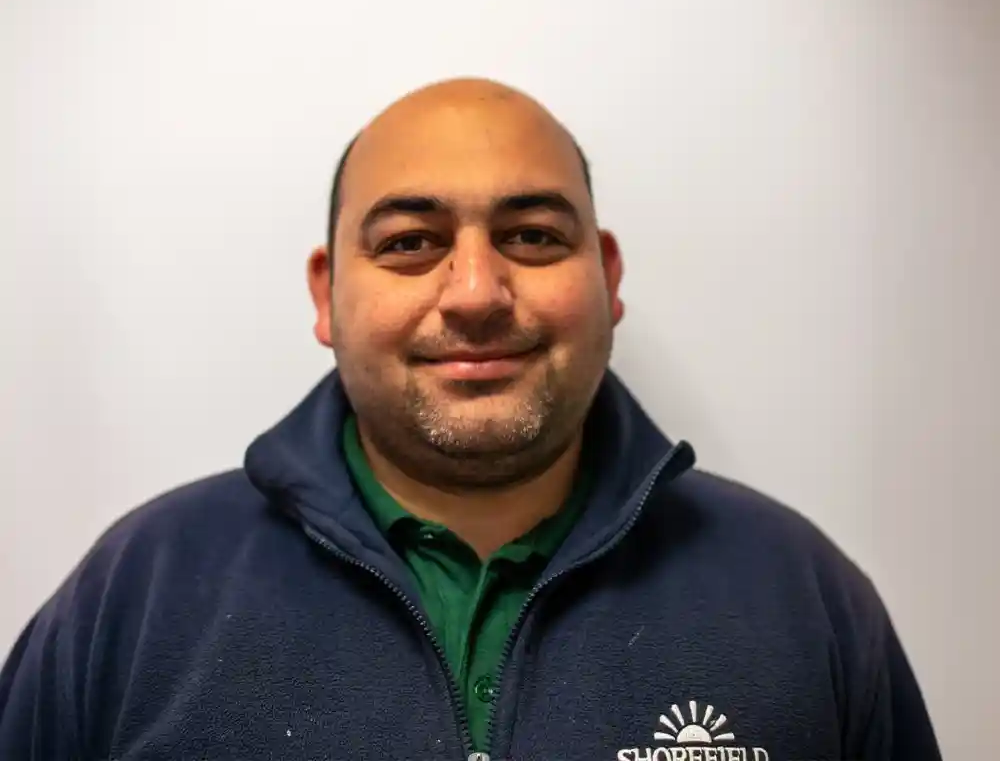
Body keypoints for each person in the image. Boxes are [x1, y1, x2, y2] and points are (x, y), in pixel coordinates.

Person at [0, 77, 941, 761]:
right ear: (328, 294)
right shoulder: (135, 597)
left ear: (606, 279)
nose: (479, 293)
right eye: (411, 243)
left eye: (533, 237)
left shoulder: (800, 597)